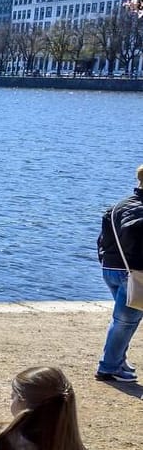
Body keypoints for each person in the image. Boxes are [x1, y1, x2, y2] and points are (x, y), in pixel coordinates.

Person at [96, 163, 143, 382]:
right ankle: (108, 367)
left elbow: (103, 238)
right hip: (133, 272)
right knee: (125, 321)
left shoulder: (119, 205)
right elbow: (134, 234)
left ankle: (118, 359)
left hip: (111, 268)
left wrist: (104, 260)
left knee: (124, 319)